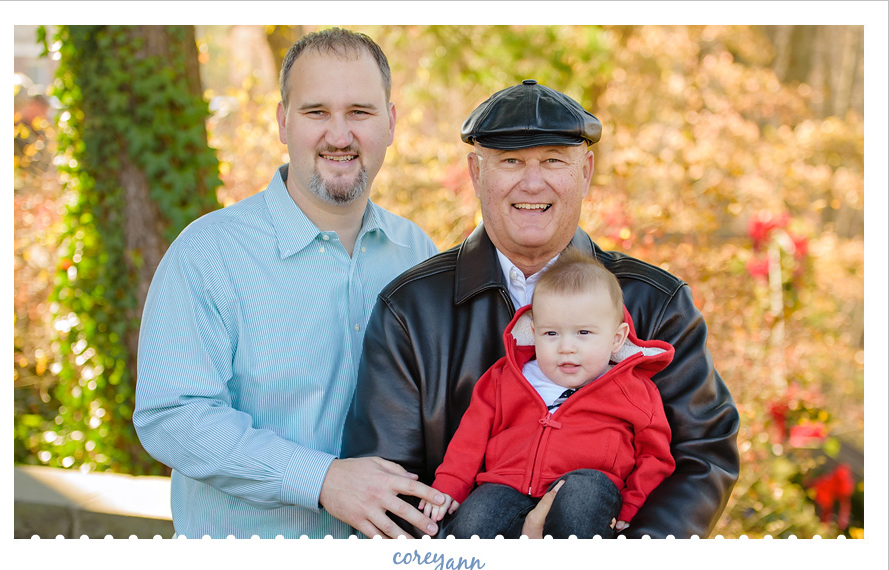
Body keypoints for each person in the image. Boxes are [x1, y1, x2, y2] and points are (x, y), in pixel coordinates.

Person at [342, 79, 741, 539]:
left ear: (586, 172)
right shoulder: (410, 309)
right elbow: (387, 485)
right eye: (510, 162)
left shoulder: (658, 302)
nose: (532, 183)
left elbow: (703, 456)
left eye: (553, 161)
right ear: (476, 173)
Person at [133, 28, 443, 539]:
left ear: (390, 123)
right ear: (282, 121)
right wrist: (321, 480)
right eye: (316, 112)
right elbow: (173, 416)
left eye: (360, 113)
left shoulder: (417, 253)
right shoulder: (209, 253)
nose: (339, 135)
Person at [419, 248, 676, 538]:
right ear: (534, 331)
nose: (566, 347)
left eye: (584, 333)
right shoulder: (509, 377)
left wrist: (633, 504)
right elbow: (471, 435)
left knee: (582, 499)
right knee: (473, 520)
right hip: (507, 483)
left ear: (616, 339)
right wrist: (451, 483)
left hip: (587, 485)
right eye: (551, 334)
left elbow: (655, 456)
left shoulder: (633, 390)